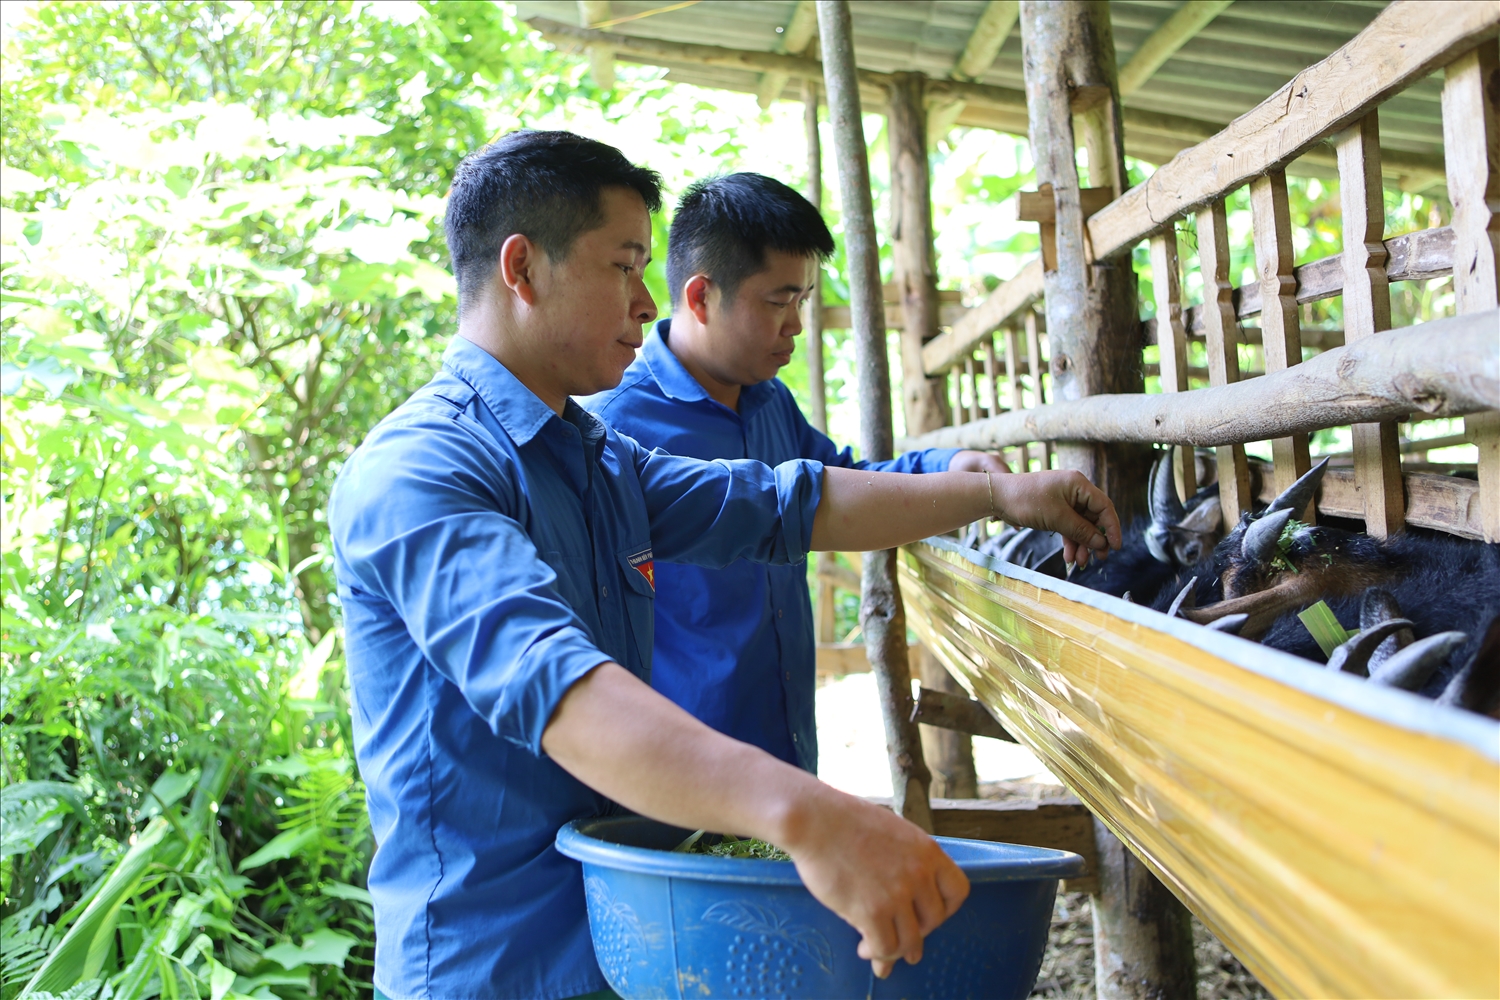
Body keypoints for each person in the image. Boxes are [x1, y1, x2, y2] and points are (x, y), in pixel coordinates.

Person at [329, 130, 1120, 1000]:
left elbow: (788, 502)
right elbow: (557, 689)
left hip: (632, 933)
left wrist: (996, 497)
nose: (646, 302)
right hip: (495, 963)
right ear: (524, 270)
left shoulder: (596, 459)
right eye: (625, 267)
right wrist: (812, 816)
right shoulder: (424, 469)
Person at [582, 172, 1011, 774]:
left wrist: (946, 466)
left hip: (787, 750)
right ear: (702, 298)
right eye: (780, 303)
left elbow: (843, 481)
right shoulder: (613, 427)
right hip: (684, 772)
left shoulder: (768, 400)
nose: (798, 327)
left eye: (804, 301)